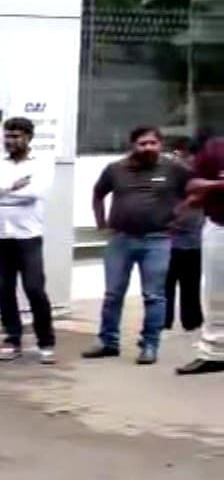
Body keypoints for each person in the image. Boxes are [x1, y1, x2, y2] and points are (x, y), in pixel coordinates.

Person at [86, 125, 193, 365]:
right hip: (121, 239)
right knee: (113, 294)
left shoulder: (174, 169)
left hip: (157, 239)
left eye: (153, 143)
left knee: (154, 295)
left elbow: (194, 193)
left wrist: (180, 219)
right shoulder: (115, 169)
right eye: (142, 143)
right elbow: (98, 194)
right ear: (133, 145)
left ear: (160, 144)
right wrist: (101, 224)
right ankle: (108, 342)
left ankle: (150, 345)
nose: (148, 148)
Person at [0, 116, 56, 363]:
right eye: (7, 136)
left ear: (28, 138)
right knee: (5, 289)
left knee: (34, 288)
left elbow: (35, 192)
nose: (10, 141)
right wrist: (11, 187)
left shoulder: (41, 164)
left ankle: (46, 342)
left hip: (27, 235)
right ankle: (12, 340)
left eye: (16, 136)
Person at [180, 132, 224, 376]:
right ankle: (215, 353)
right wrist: (216, 186)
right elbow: (193, 185)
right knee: (216, 295)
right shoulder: (215, 148)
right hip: (219, 226)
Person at [165, 136, 206, 340]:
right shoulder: (170, 174)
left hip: (192, 237)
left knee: (190, 282)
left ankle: (191, 320)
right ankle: (165, 319)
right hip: (170, 237)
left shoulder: (198, 174)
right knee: (167, 282)